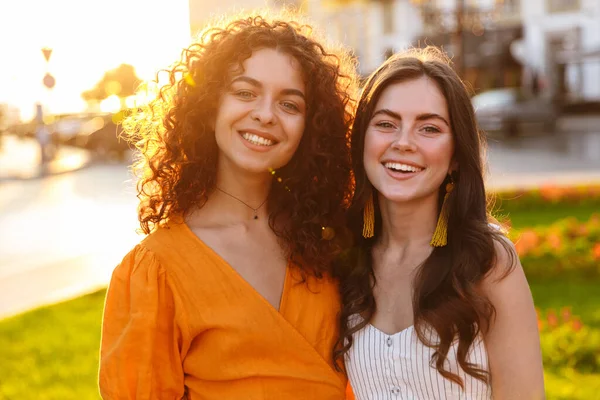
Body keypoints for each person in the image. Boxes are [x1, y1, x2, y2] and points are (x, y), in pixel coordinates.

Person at [99, 10, 357, 399]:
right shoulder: (157, 270)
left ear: (312, 126)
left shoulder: (328, 242)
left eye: (290, 104)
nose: (265, 114)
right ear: (209, 105)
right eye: (245, 92)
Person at [334, 47, 545, 399]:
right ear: (362, 142)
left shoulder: (488, 260)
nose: (403, 143)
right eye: (386, 124)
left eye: (429, 128)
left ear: (456, 158)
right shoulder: (345, 258)